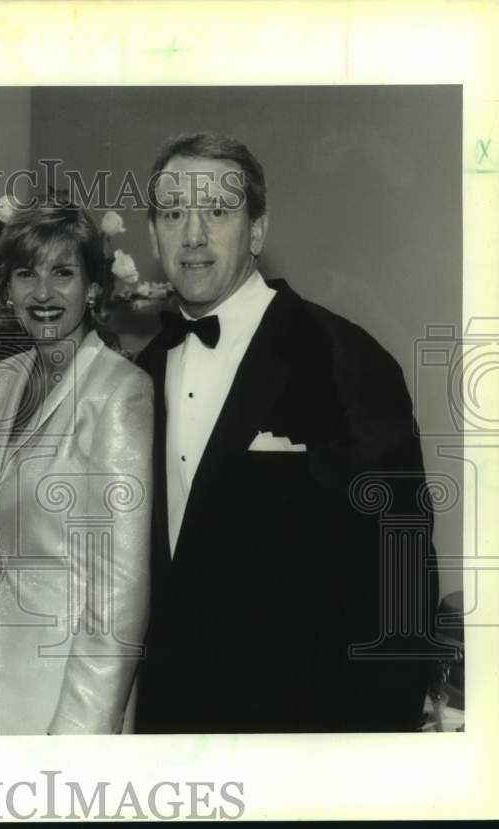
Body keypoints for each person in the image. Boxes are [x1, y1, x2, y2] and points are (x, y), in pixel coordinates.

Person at [135, 132, 440, 733]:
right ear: (153, 236)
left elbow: (401, 571)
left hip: (305, 729)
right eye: (173, 214)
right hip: (172, 737)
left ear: (257, 230)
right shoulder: (136, 376)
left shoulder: (342, 357)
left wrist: (374, 747)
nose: (192, 235)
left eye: (218, 213)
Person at [0, 205, 154, 735]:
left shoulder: (120, 392)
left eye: (63, 273)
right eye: (26, 273)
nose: (43, 293)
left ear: (94, 289)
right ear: (6, 290)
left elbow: (119, 593)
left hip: (67, 698)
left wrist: (76, 741)